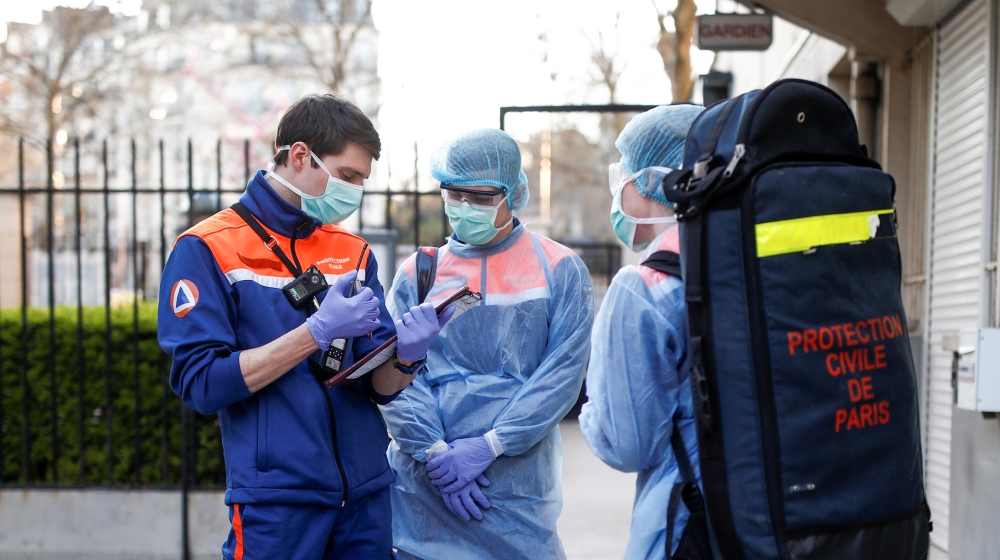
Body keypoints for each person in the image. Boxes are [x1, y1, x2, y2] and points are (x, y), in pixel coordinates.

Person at [158, 94, 451, 559]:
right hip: (277, 506)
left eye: (362, 181)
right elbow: (202, 384)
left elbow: (377, 385)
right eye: (348, 176)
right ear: (300, 156)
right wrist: (313, 333)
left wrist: (409, 355)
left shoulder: (352, 251)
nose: (355, 192)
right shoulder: (206, 248)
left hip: (365, 497)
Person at [380, 128, 594, 560]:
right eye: (454, 195)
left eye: (480, 198)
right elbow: (393, 376)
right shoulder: (419, 273)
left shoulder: (559, 268)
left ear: (512, 194)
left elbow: (561, 376)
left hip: (518, 494)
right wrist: (437, 454)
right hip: (424, 493)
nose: (464, 208)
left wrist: (491, 444)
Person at [579, 104, 707, 559]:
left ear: (655, 178)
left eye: (625, 176)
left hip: (690, 525)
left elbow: (627, 444)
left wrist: (593, 403)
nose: (621, 191)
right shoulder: (751, 257)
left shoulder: (645, 287)